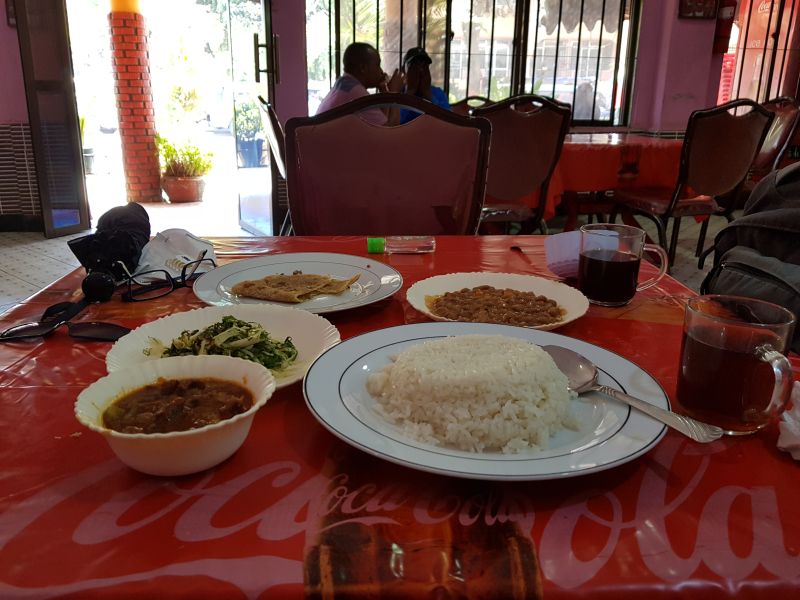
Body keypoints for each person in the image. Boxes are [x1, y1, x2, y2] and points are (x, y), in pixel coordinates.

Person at [316, 42, 404, 125]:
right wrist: (394, 93)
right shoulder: (355, 92)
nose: (381, 71)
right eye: (377, 65)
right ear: (363, 68)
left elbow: (381, 119)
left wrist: (384, 92)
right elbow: (390, 131)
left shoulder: (345, 83)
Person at [400, 47, 451, 124]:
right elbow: (392, 123)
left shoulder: (438, 93)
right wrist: (409, 93)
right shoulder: (397, 93)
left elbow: (450, 123)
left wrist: (428, 95)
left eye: (424, 66)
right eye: (414, 66)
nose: (420, 70)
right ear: (404, 70)